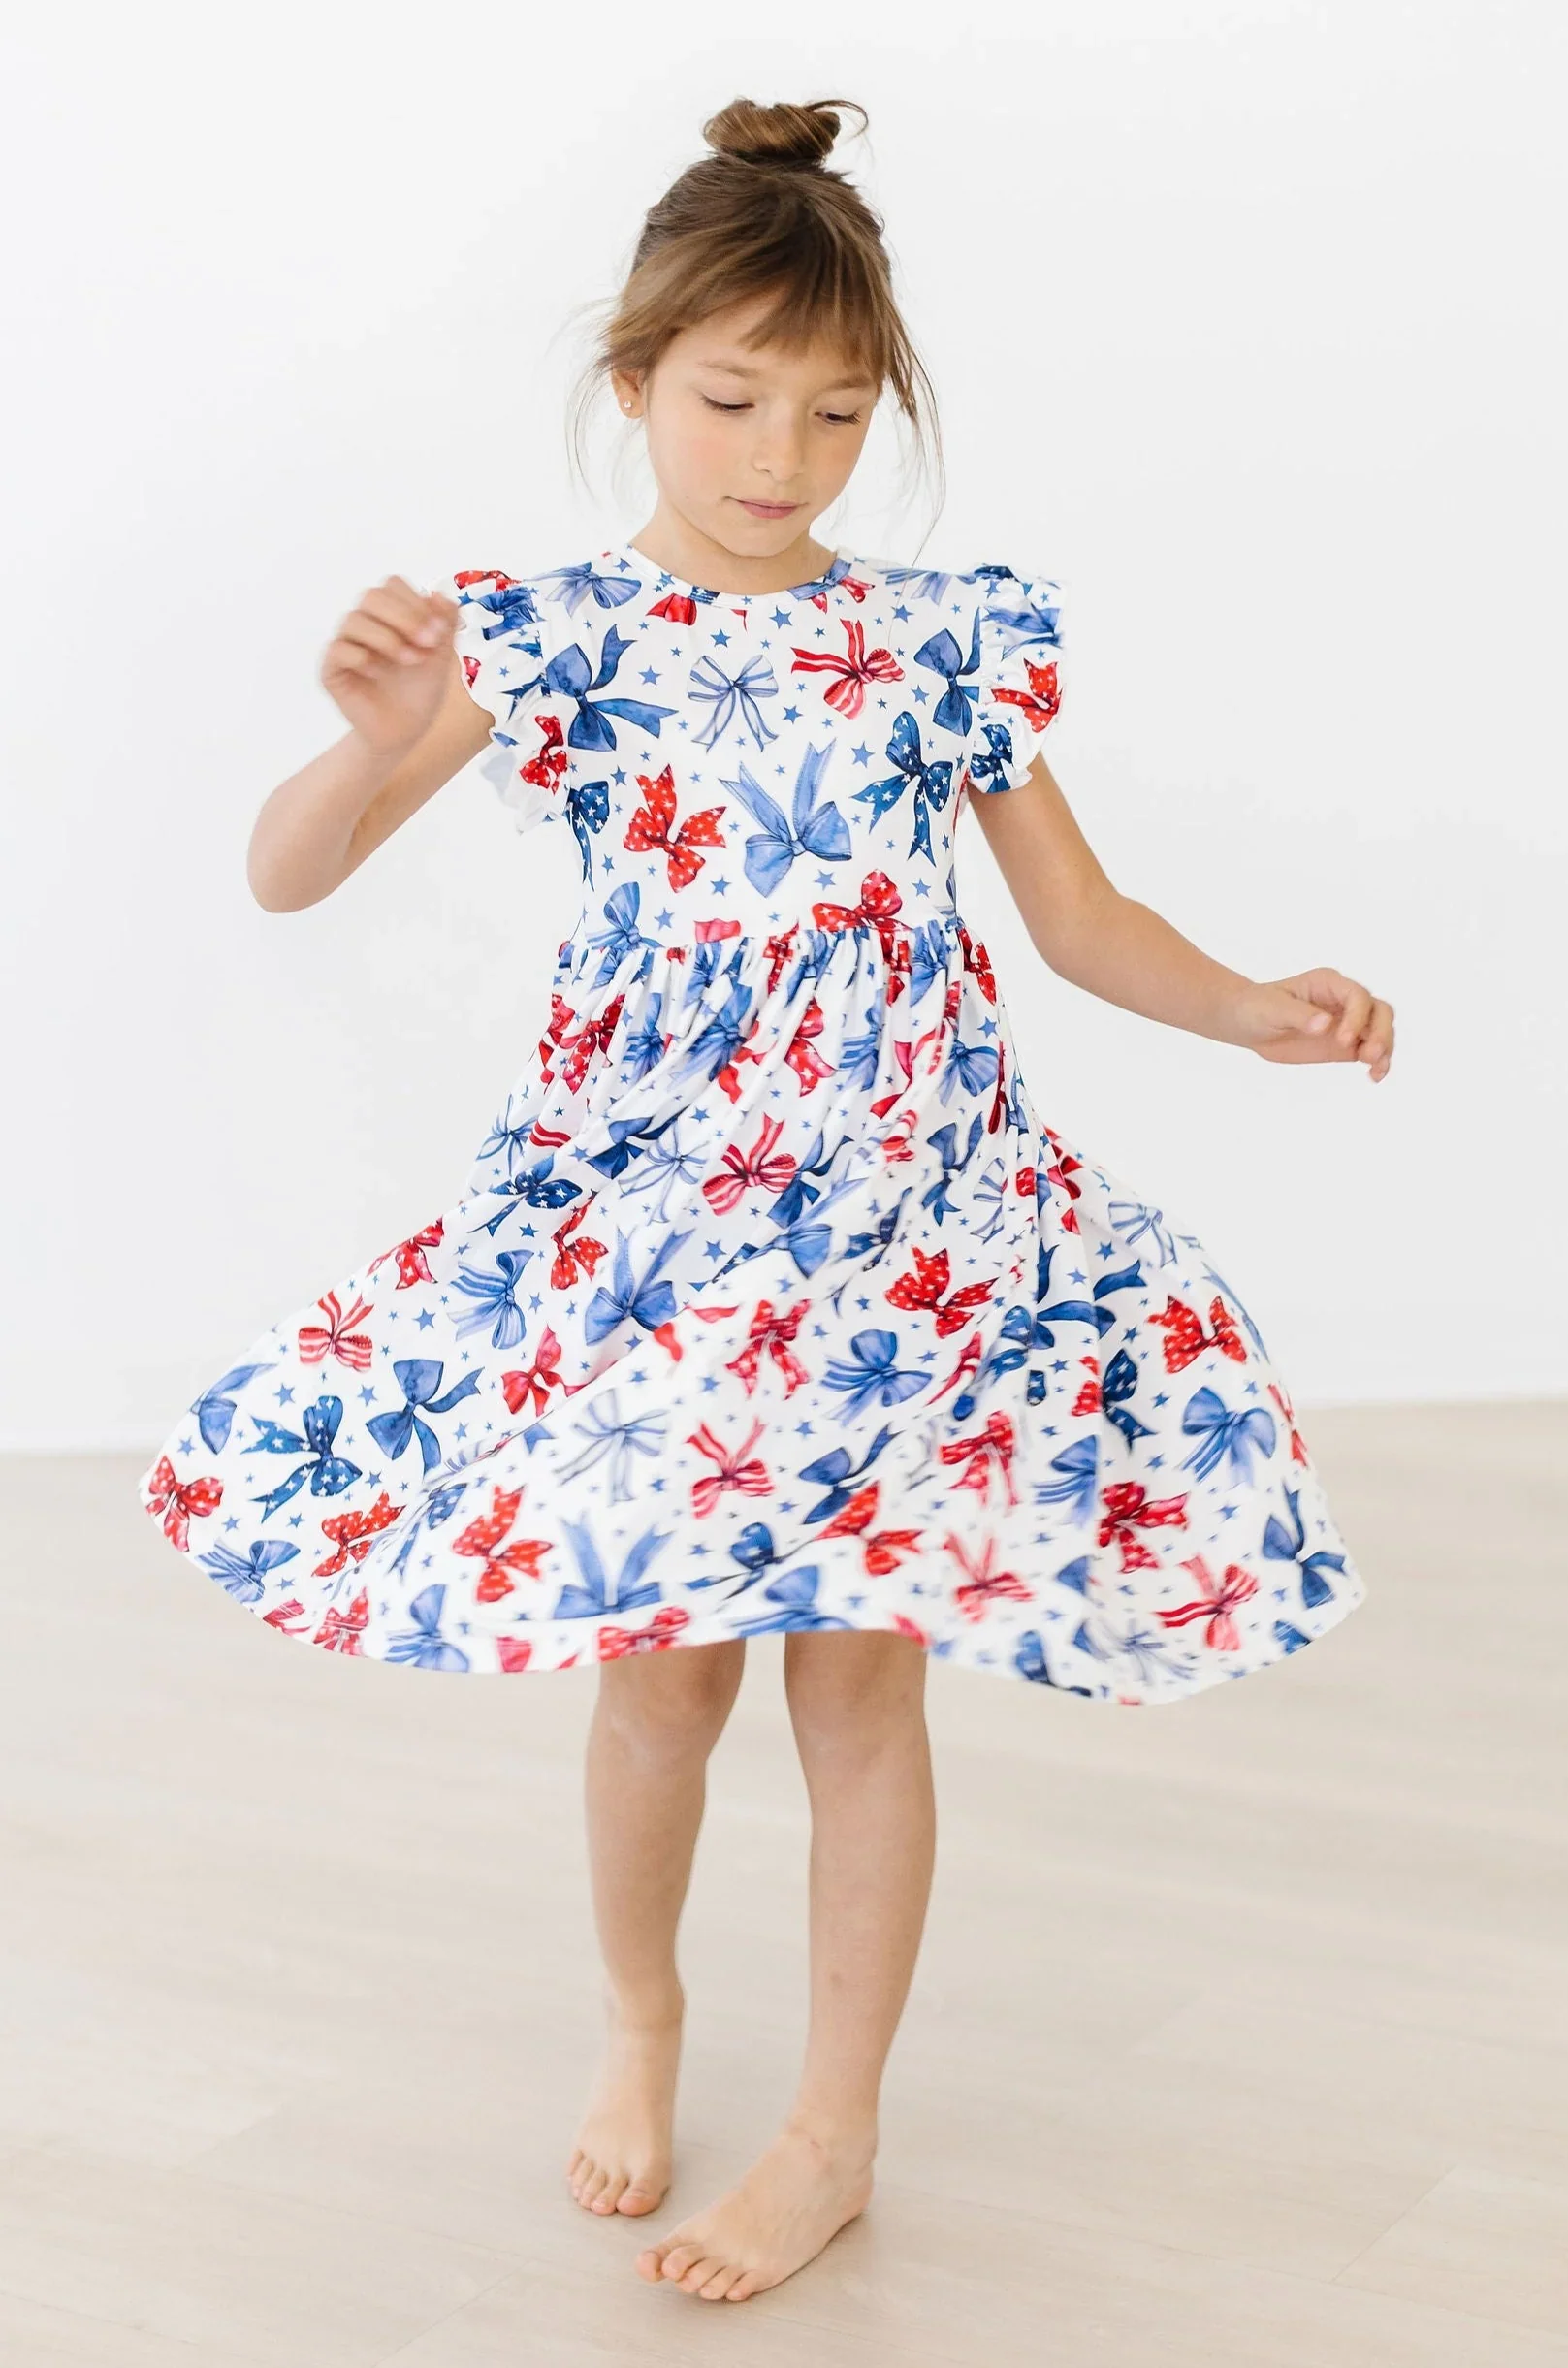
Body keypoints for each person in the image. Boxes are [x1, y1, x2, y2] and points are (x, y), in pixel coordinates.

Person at [137, 93, 1392, 2306]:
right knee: (660, 1691)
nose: (779, 455)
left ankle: (833, 2130)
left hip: (906, 1231)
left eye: (831, 412)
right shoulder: (543, 636)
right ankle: (641, 2021)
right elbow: (286, 872)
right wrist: (369, 728)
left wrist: (1251, 1008)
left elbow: (1080, 922)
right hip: (653, 1236)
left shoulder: (939, 641)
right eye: (729, 399)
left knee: (862, 1699)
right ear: (634, 378)